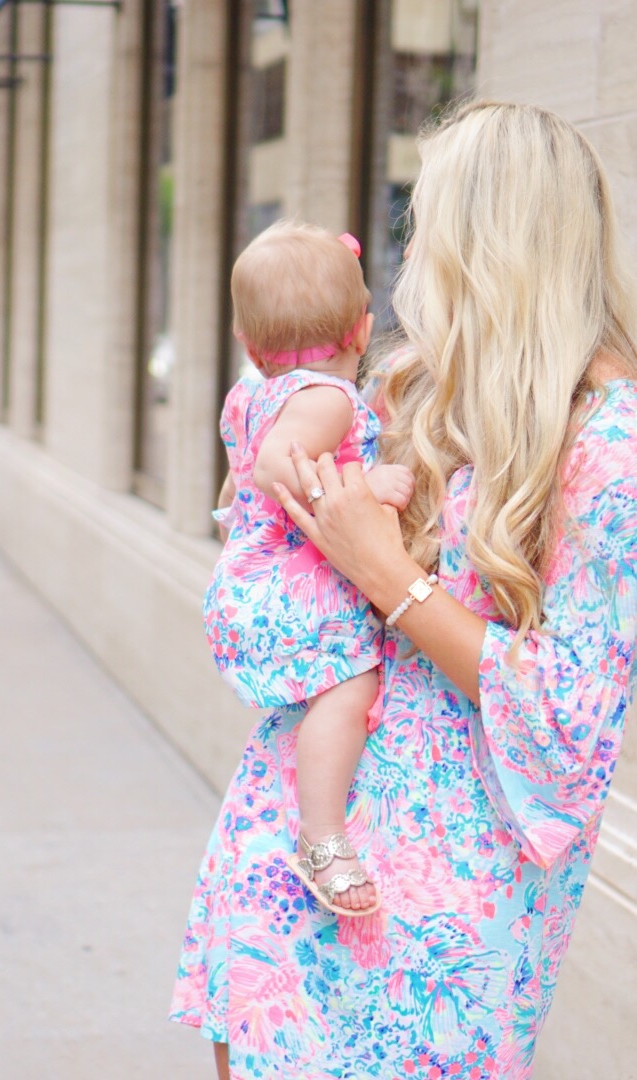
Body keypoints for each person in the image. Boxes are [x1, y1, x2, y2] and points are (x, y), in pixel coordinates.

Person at [170, 100, 637, 1080]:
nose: (412, 249)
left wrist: (384, 572)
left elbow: (569, 714)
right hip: (304, 829)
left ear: (486, 242)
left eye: (426, 222)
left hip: (448, 889)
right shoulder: (418, 392)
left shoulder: (611, 443)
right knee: (243, 1046)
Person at [206, 222, 414, 916]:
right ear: (362, 330)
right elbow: (273, 467)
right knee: (349, 686)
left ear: (246, 341)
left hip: (253, 583)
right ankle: (323, 837)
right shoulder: (326, 399)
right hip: (293, 593)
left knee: (329, 690)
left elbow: (237, 482)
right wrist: (365, 484)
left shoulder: (249, 395)